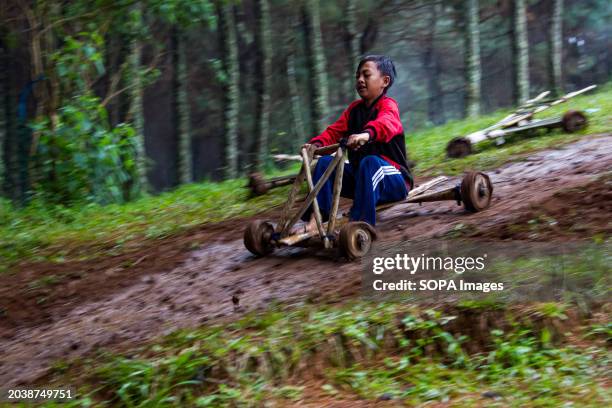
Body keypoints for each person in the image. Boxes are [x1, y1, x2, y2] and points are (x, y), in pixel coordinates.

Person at [301, 55, 413, 231]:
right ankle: (315, 221)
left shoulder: (388, 106)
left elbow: (387, 123)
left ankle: (361, 224)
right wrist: (315, 145)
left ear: (385, 81)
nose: (360, 80)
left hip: (394, 180)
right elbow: (333, 132)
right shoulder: (354, 110)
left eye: (366, 75)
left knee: (370, 162)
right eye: (358, 76)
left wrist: (367, 135)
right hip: (363, 180)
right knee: (324, 163)